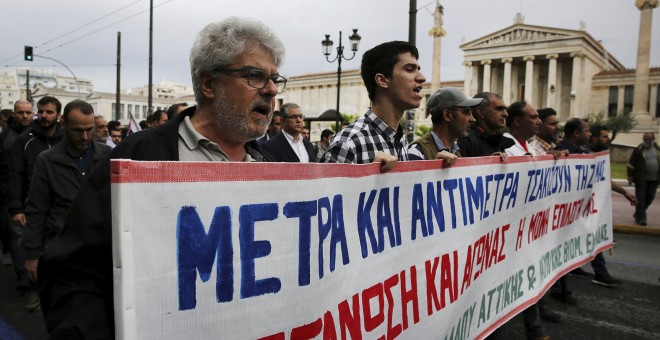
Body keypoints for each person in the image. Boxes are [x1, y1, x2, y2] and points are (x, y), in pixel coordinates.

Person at [39, 17, 284, 338]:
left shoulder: (272, 169)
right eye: (255, 76)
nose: (269, 90)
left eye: (274, 78)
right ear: (208, 83)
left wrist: (370, 184)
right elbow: (76, 272)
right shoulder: (137, 157)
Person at [23, 100, 112, 285]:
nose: (85, 136)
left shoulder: (107, 155)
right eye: (78, 130)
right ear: (63, 124)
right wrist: (32, 254)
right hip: (62, 248)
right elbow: (37, 209)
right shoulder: (47, 161)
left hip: (100, 249)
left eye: (89, 129)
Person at [321, 40, 426, 172]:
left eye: (418, 70)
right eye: (410, 69)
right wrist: (368, 174)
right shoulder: (348, 144)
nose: (422, 78)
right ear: (382, 80)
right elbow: (327, 192)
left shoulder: (400, 139)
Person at [556, 118, 634, 287]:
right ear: (578, 133)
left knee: (591, 234)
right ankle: (559, 287)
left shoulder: (588, 155)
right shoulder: (568, 152)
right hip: (569, 212)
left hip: (582, 209)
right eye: (588, 131)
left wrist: (625, 192)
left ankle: (595, 272)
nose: (606, 140)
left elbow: (602, 179)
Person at [8, 96, 63, 312]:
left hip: (58, 208)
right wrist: (16, 208)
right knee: (31, 249)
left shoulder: (65, 139)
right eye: (41, 111)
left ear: (58, 115)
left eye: (50, 112)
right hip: (31, 208)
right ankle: (32, 287)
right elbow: (15, 176)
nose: (45, 115)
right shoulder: (24, 141)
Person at [0, 101, 34, 270]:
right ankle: (23, 276)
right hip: (10, 194)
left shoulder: (36, 135)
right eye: (21, 112)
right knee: (17, 234)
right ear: (14, 114)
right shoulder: (5, 136)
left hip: (32, 192)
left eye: (28, 112)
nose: (25, 116)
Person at [407, 87, 481, 165]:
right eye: (466, 112)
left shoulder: (456, 152)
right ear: (447, 115)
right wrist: (435, 166)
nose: (473, 119)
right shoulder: (416, 151)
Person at [627, 132, 659, 226]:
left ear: (653, 139)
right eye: (646, 139)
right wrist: (630, 177)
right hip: (641, 179)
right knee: (641, 199)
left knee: (650, 197)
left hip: (654, 179)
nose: (647, 141)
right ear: (643, 139)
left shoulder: (657, 149)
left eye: (649, 139)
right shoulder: (638, 150)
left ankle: (638, 213)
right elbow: (630, 164)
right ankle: (641, 219)